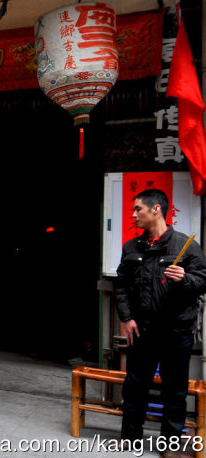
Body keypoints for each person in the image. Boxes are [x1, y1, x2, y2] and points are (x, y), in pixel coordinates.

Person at [115, 188, 206, 448]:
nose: (133, 215)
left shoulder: (185, 245)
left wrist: (185, 279)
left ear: (156, 210)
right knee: (134, 385)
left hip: (177, 331)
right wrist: (126, 317)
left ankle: (171, 445)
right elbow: (121, 286)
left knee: (174, 390)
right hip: (141, 329)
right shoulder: (132, 246)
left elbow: (203, 280)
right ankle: (130, 439)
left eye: (137, 209)